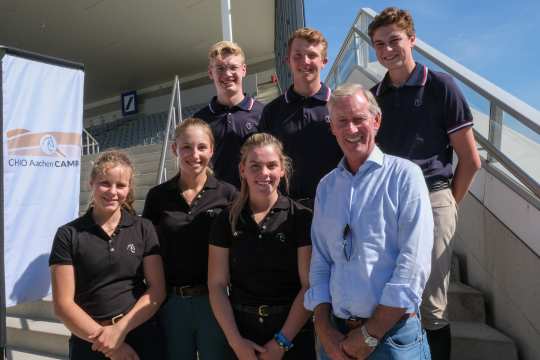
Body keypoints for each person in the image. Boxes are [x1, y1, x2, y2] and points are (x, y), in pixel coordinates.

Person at [368, 8, 482, 359]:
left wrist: (447, 204)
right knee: (395, 300)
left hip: (433, 199)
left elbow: (471, 160)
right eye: (379, 44)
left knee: (431, 307)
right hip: (390, 206)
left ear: (412, 39)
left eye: (394, 41)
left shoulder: (441, 86)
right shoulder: (375, 96)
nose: (387, 50)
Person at [305, 83, 434, 359]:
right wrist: (324, 330)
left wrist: (370, 334)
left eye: (359, 119)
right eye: (342, 121)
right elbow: (320, 262)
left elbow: (413, 265)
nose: (351, 129)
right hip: (337, 339)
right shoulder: (326, 188)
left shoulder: (405, 177)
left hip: (392, 338)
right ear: (332, 128)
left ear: (376, 121)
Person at [208, 133, 315, 359]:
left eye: (271, 165)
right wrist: (236, 342)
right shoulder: (226, 220)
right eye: (255, 166)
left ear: (282, 169)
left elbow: (308, 286)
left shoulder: (301, 217)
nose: (264, 173)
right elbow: (217, 284)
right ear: (242, 170)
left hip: (293, 335)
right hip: (242, 335)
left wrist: (281, 342)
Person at [49, 150, 166, 360]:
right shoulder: (68, 234)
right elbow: (63, 305)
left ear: (129, 189)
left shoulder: (143, 228)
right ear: (91, 183)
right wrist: (110, 346)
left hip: (139, 334)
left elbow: (157, 289)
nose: (113, 191)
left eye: (121, 185)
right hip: (89, 342)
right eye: (105, 183)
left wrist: (119, 330)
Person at [142, 117, 237, 359]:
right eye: (186, 147)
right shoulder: (158, 196)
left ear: (212, 150)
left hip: (214, 302)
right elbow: (148, 250)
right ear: (174, 149)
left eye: (202, 147)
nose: (194, 154)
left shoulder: (228, 194)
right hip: (172, 304)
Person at [259, 27, 342, 205]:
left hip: (334, 207)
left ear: (324, 61)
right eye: (297, 55)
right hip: (285, 210)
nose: (305, 61)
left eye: (312, 55)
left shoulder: (340, 106)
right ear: (288, 60)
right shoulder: (271, 111)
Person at [194, 40, 263, 188]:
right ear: (210, 73)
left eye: (233, 67)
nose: (227, 74)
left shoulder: (264, 113)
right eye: (220, 68)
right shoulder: (200, 121)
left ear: (243, 70)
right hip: (216, 203)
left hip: (255, 201)